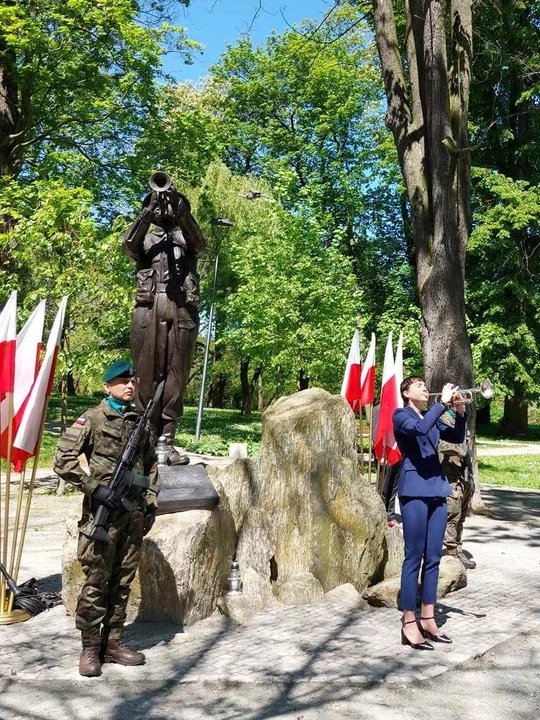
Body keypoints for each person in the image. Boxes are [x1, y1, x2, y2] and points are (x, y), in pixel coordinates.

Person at [54, 360, 159, 677]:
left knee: (122, 583)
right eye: (122, 380)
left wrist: (151, 502)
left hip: (132, 515)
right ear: (107, 386)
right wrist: (94, 489)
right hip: (103, 517)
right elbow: (62, 460)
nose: (129, 385)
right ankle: (89, 647)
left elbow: (151, 465)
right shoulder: (94, 419)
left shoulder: (139, 421)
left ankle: (113, 642)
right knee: (96, 583)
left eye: (132, 380)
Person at [123, 179, 206, 465]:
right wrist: (148, 211)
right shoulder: (144, 238)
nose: (163, 207)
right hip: (148, 308)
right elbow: (129, 245)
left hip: (182, 308)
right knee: (147, 375)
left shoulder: (186, 238)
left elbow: (200, 242)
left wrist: (181, 210)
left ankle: (166, 441)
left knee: (176, 375)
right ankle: (144, 439)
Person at [393, 376, 466, 650]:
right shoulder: (401, 415)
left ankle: (428, 616)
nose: (425, 388)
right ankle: (409, 621)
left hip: (436, 488)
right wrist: (441, 403)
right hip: (414, 490)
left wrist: (458, 412)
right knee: (414, 556)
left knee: (434, 556)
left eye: (426, 386)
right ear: (406, 392)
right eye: (419, 386)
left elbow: (456, 437)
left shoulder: (431, 415)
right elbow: (421, 429)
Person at [439, 411, 476, 569]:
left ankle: (458, 546)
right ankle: (452, 551)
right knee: (453, 515)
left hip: (463, 476)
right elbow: (442, 445)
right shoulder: (442, 419)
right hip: (449, 477)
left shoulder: (462, 419)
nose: (461, 404)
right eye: (458, 401)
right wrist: (462, 451)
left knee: (461, 515)